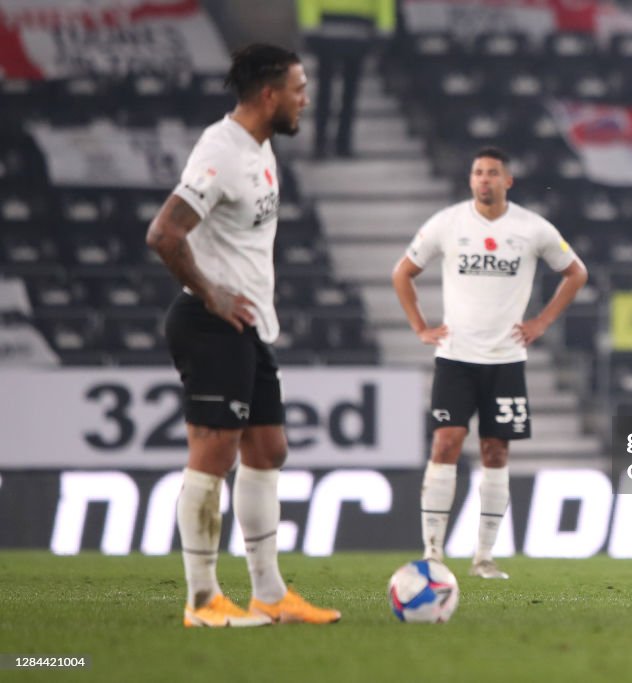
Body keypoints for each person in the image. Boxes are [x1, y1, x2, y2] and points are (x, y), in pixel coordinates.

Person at [146, 44, 341, 627]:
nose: (305, 99)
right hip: (210, 323)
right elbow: (164, 234)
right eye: (299, 89)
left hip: (247, 324)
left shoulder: (259, 146)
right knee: (214, 455)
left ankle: (270, 593)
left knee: (268, 449)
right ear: (268, 95)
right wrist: (211, 292)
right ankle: (202, 600)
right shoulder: (221, 152)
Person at [392, 147, 588, 579]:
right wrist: (421, 327)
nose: (484, 180)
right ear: (471, 180)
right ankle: (432, 553)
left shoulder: (531, 228)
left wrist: (542, 321)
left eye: (492, 173)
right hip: (455, 359)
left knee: (495, 451)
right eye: (478, 173)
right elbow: (402, 272)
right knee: (446, 441)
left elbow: (576, 272)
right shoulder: (448, 223)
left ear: (508, 181)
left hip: (505, 360)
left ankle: (483, 556)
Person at [296, 0, 396, 158]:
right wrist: (385, 25)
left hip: (327, 27)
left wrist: (309, 23)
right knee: (349, 90)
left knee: (326, 89)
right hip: (358, 28)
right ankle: (342, 144)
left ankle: (321, 144)